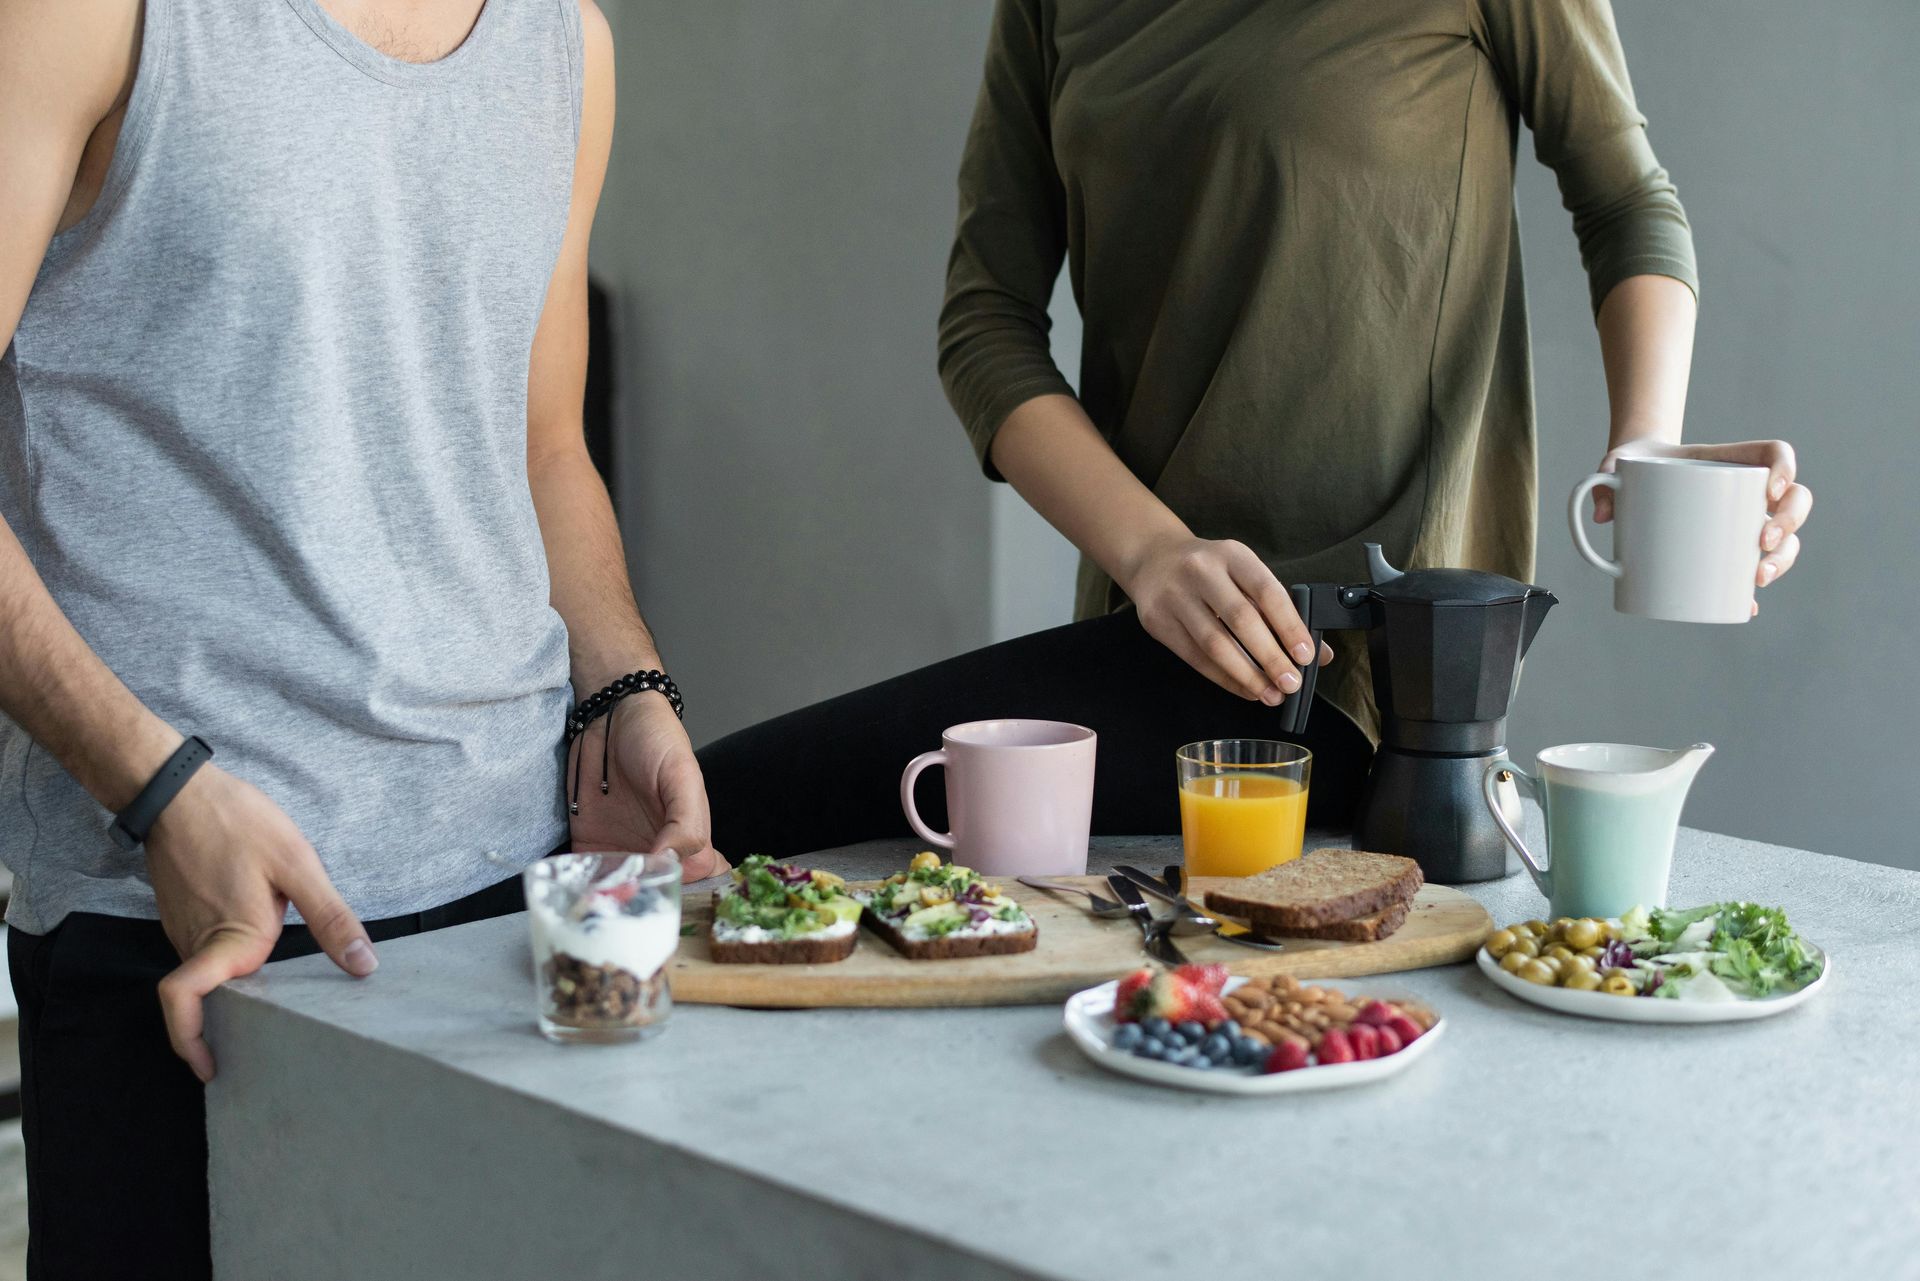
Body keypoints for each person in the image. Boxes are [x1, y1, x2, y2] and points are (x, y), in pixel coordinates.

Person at [698, 0, 1812, 855]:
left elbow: (1627, 202)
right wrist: (1151, 553)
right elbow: (984, 323)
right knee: (722, 820)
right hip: (1147, 635)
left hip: (1372, 680)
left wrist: (1646, 448)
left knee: (732, 805)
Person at [0, 0, 722, 1275]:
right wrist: (158, 790)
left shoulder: (567, 43)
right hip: (188, 904)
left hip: (510, 904)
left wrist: (625, 687)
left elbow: (544, 447)